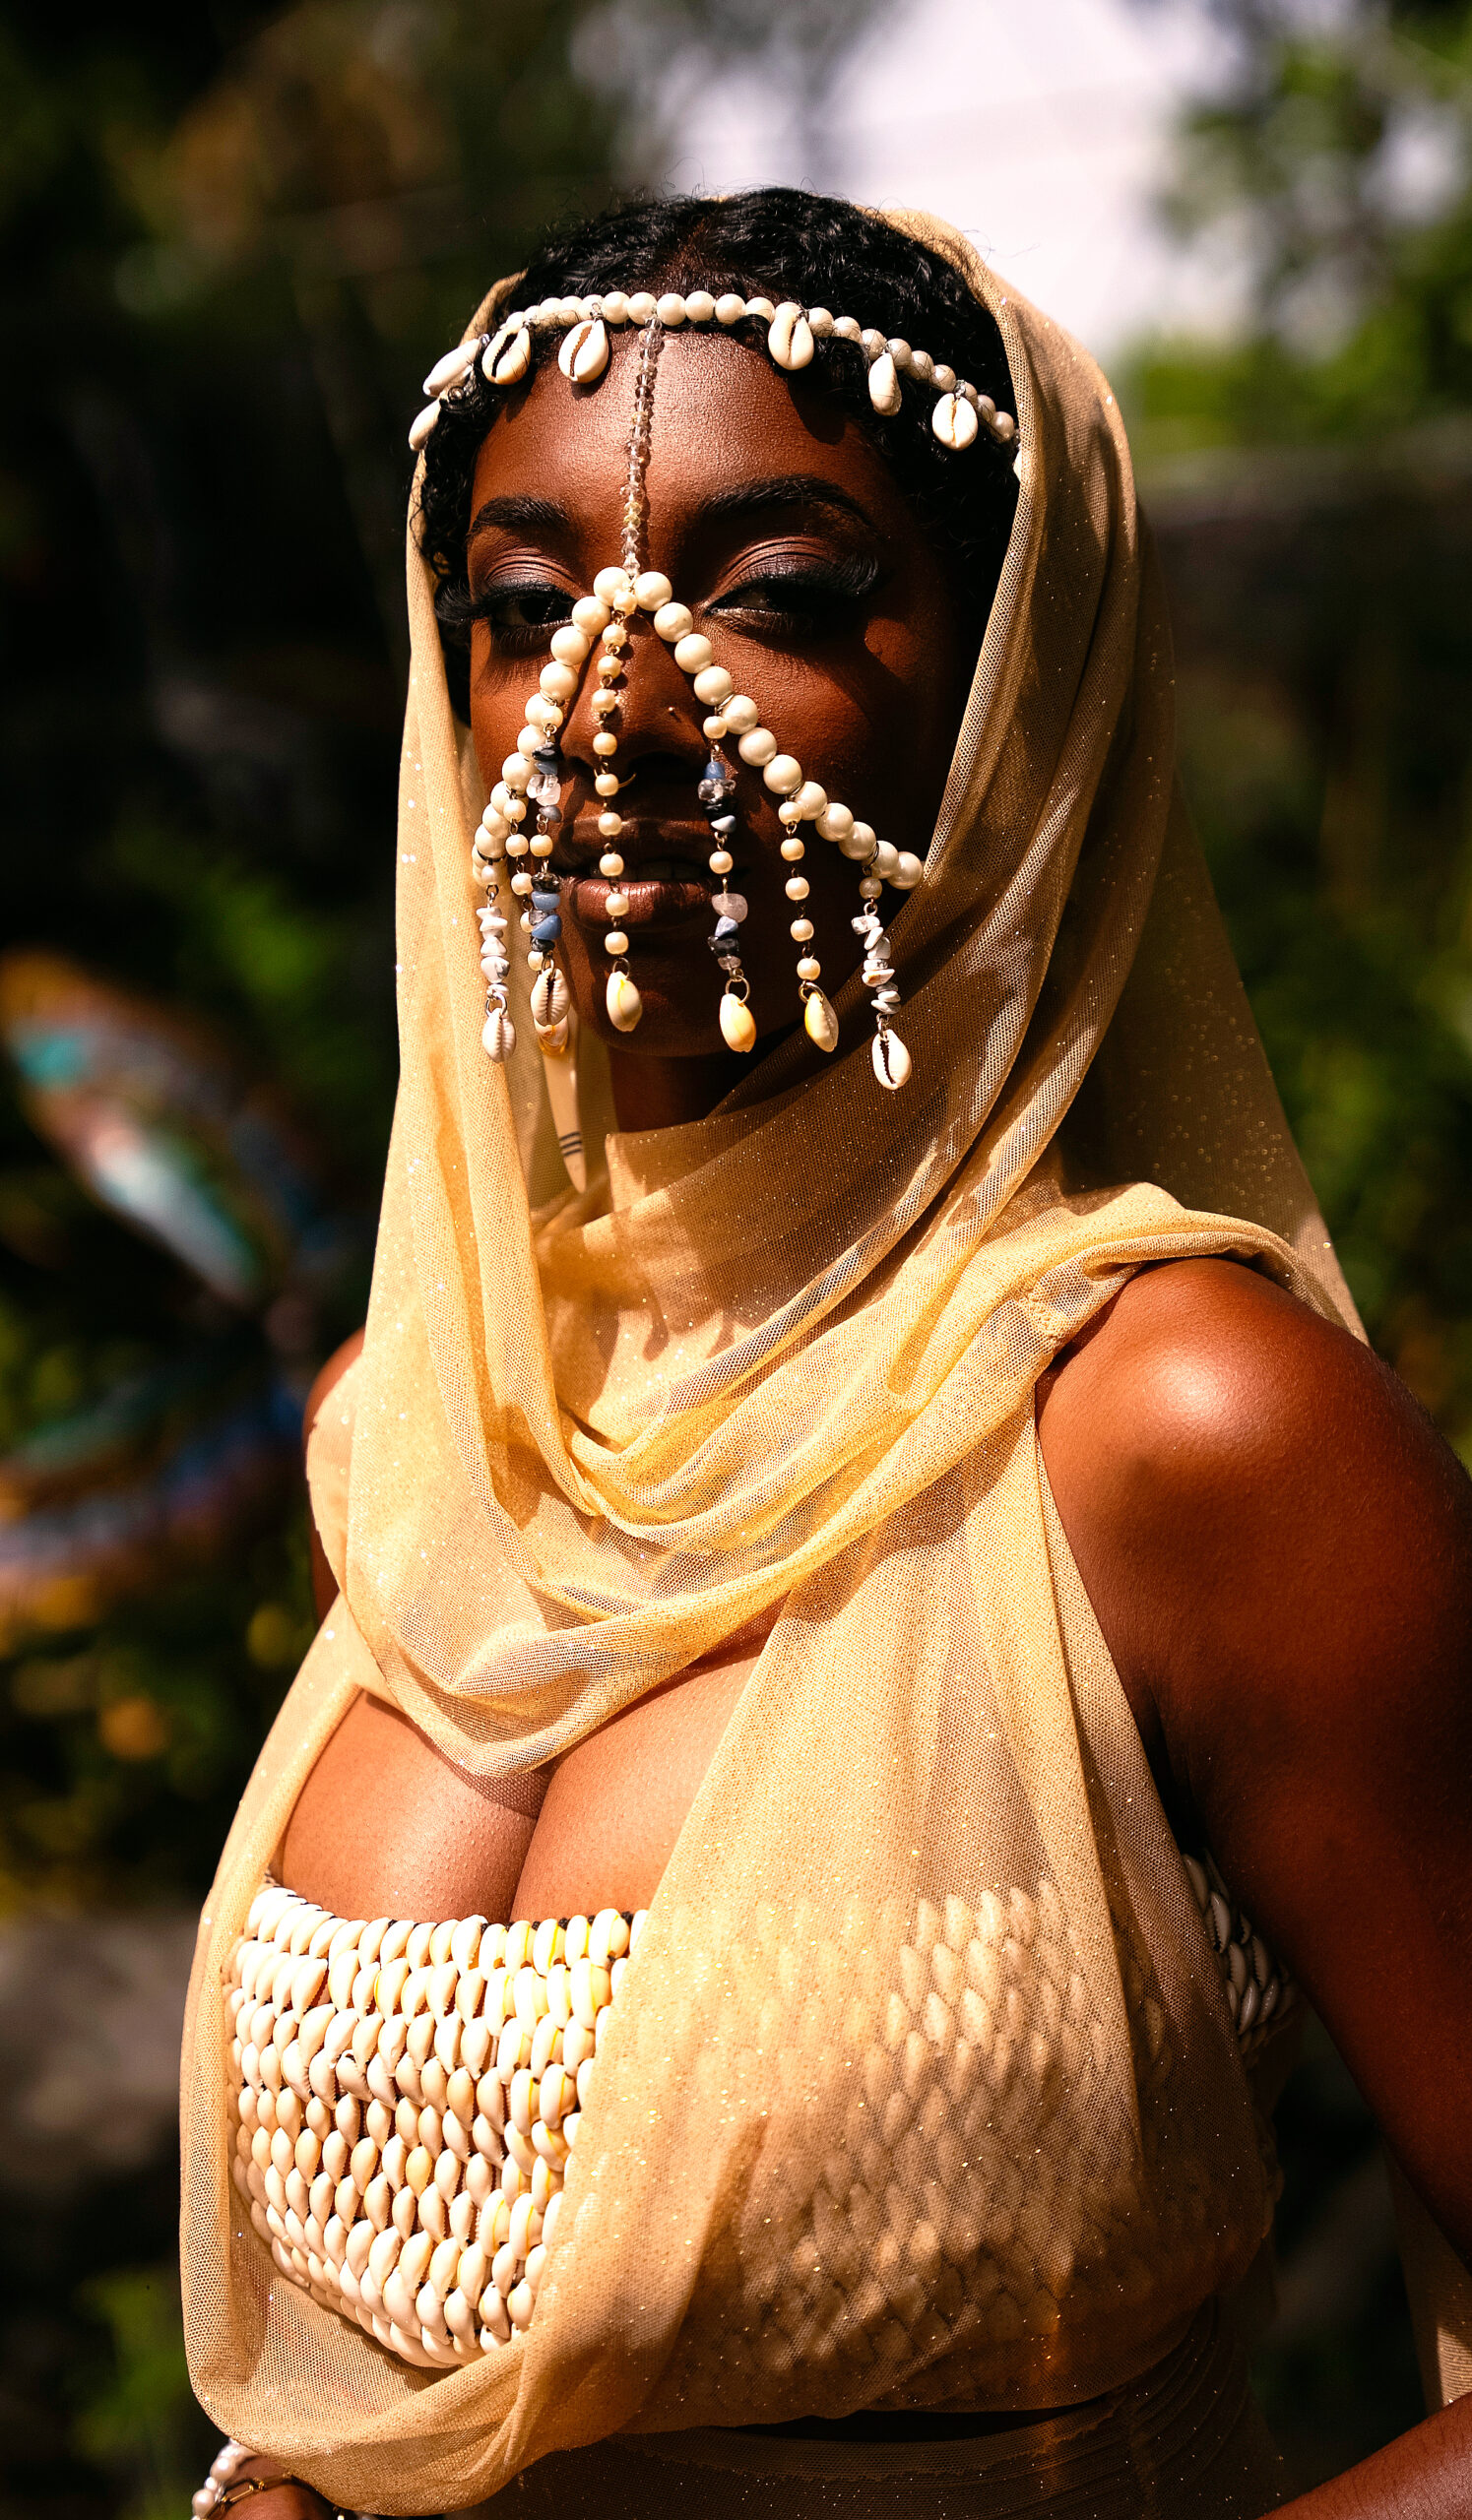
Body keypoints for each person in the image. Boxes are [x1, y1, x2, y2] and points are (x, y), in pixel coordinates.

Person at [180, 192, 1472, 2520]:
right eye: (519, 607)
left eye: (771, 596)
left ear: (1005, 692)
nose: (612, 706)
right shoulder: (424, 1427)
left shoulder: (1175, 1431)